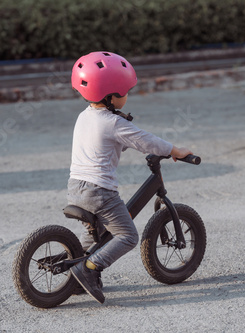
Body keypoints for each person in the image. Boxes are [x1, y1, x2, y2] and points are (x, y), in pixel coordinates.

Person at [67, 51, 192, 304]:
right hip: (99, 191)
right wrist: (174, 150)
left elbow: (106, 145)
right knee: (127, 236)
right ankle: (89, 269)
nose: (127, 95)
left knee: (97, 233)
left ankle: (75, 278)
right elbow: (144, 140)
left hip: (75, 188)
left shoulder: (84, 116)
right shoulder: (113, 123)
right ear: (110, 96)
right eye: (124, 91)